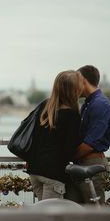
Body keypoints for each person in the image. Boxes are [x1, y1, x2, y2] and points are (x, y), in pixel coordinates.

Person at [26, 70, 83, 201]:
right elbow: (70, 149)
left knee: (42, 214)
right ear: (75, 90)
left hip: (35, 170)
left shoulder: (45, 108)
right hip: (53, 174)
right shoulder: (72, 115)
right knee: (49, 219)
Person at [65, 65, 110, 204]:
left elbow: (90, 143)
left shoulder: (100, 104)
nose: (74, 86)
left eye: (76, 81)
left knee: (94, 215)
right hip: (83, 163)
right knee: (76, 211)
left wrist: (67, 157)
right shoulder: (89, 103)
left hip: (91, 163)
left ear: (83, 80)